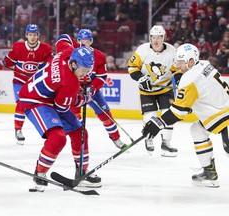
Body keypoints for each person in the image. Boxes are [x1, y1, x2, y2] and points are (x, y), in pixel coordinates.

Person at [142, 43, 229, 188]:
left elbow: (178, 112)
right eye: (178, 61)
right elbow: (199, 90)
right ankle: (209, 173)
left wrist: (158, 123)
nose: (178, 65)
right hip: (220, 112)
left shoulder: (190, 79)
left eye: (181, 62)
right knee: (197, 130)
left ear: (191, 61)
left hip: (223, 114)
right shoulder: (204, 64)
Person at [17, 46, 101, 192]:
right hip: (33, 100)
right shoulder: (70, 84)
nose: (85, 74)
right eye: (83, 71)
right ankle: (40, 173)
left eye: (88, 71)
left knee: (80, 132)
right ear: (74, 64)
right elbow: (62, 108)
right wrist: (82, 99)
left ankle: (81, 172)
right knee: (58, 138)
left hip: (51, 96)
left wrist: (82, 80)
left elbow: (64, 39)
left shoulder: (68, 53)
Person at [55, 29, 126, 149]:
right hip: (75, 91)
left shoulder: (99, 56)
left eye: (87, 41)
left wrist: (92, 89)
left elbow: (102, 76)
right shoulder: (73, 53)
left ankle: (116, 138)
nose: (84, 43)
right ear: (77, 41)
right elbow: (62, 38)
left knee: (105, 114)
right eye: (81, 41)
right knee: (73, 118)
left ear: (91, 41)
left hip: (92, 91)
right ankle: (70, 141)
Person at [0, 24, 53, 145]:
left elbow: (50, 64)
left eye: (34, 35)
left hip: (35, 83)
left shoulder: (45, 48)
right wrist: (0, 64)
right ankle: (18, 130)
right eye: (30, 35)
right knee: (21, 103)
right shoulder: (18, 47)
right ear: (26, 35)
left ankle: (48, 128)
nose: (32, 37)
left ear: (38, 36)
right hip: (20, 82)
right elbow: (8, 62)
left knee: (43, 105)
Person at [128, 25, 181, 157]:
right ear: (150, 38)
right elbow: (132, 67)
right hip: (147, 91)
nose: (156, 40)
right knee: (150, 117)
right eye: (153, 37)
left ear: (164, 38)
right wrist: (140, 78)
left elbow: (177, 70)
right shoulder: (142, 50)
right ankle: (149, 138)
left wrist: (180, 81)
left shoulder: (172, 51)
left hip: (165, 89)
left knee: (168, 115)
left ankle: (166, 143)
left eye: (159, 37)